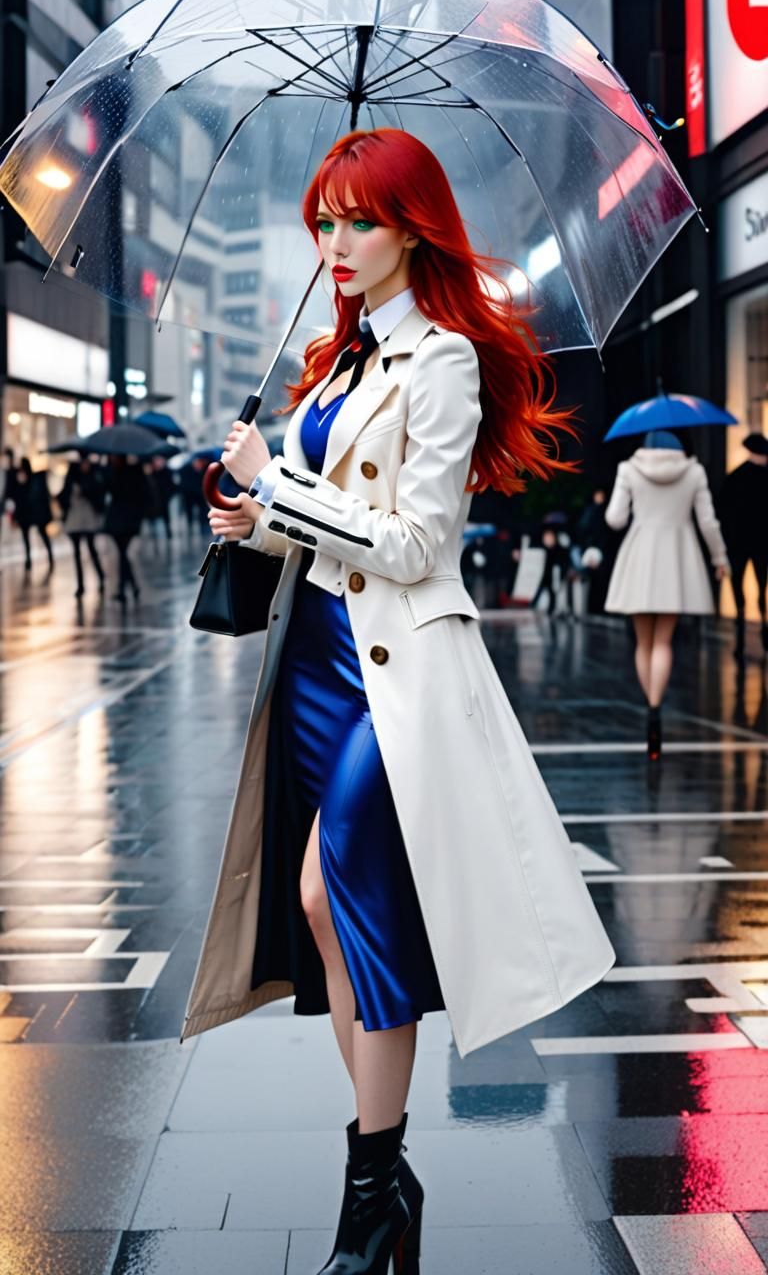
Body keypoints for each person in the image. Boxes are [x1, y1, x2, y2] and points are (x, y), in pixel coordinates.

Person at [182, 128, 615, 1275]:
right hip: (317, 657)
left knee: (336, 897)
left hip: (399, 673)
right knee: (336, 912)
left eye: (358, 220)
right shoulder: (342, 362)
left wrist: (280, 480)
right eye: (324, 218)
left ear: (413, 227)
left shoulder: (443, 362)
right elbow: (329, 530)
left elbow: (418, 545)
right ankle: (384, 1184)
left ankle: (374, 1190)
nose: (334, 241)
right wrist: (259, 517)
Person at [604, 430, 729, 758]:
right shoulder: (694, 471)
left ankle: (651, 705)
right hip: (677, 557)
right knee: (663, 642)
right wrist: (719, 558)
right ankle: (657, 708)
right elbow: (707, 521)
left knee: (644, 643)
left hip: (641, 555)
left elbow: (615, 519)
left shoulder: (628, 469)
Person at [717, 432, 768, 661]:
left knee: (741, 590)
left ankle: (741, 636)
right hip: (759, 544)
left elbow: (722, 513)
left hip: (739, 544)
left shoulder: (735, 477)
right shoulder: (753, 477)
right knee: (760, 587)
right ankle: (762, 627)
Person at [58, 456, 106, 596]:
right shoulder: (72, 478)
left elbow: (98, 495)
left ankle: (100, 576)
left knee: (92, 549)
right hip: (74, 519)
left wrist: (86, 491)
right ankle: (80, 585)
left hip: (88, 518)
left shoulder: (93, 477)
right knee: (77, 553)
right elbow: (64, 495)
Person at [103, 455, 148, 602]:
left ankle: (125, 589)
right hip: (117, 520)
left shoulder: (133, 471)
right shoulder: (111, 471)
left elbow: (140, 494)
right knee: (122, 554)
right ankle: (131, 587)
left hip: (128, 519)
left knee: (123, 554)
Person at [13, 457, 54, 573]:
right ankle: (29, 559)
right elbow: (18, 497)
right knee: (27, 537)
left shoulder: (35, 478)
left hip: (34, 512)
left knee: (41, 534)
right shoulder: (21, 479)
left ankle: (48, 556)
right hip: (26, 513)